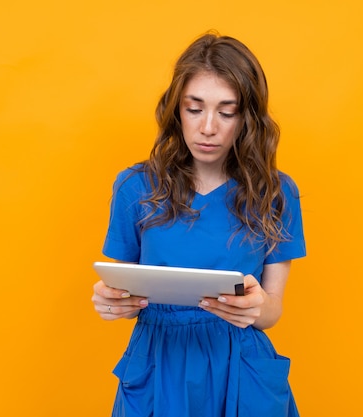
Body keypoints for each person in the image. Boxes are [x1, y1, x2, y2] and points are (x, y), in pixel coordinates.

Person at [91, 32, 306, 417]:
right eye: (194, 109)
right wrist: (112, 303)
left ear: (247, 118)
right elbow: (123, 289)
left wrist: (256, 308)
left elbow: (273, 310)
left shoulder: (277, 192)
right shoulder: (134, 187)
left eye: (227, 112)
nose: (208, 127)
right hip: (159, 364)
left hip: (240, 369)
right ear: (176, 110)